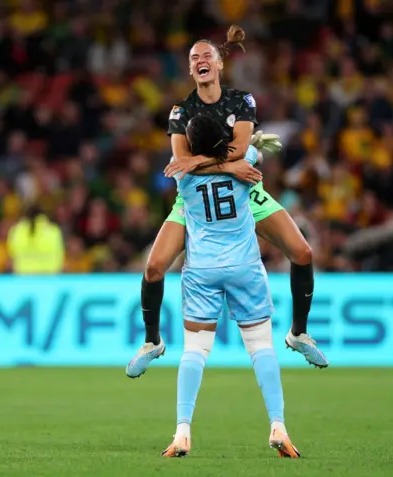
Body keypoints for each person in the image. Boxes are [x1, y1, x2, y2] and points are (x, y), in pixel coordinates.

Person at [126, 25, 327, 378]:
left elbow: (233, 149)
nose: (200, 61)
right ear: (190, 70)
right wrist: (232, 165)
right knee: (154, 267)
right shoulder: (180, 111)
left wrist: (209, 160)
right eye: (194, 58)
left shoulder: (241, 101)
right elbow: (182, 167)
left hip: (245, 192)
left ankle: (298, 333)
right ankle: (152, 341)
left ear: (219, 65)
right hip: (195, 200)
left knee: (303, 253)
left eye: (206, 56)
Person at [161, 114, 300, 458]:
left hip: (202, 269)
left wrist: (195, 159)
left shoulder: (182, 174)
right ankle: (278, 426)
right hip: (244, 267)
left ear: (191, 145)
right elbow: (250, 154)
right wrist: (240, 152)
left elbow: (193, 165)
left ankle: (182, 433)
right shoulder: (244, 162)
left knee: (194, 350)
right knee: (261, 347)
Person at [7, 205, 64, 274]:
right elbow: (60, 257)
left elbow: (11, 258)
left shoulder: (16, 231)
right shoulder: (53, 231)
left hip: (23, 279)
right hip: (49, 279)